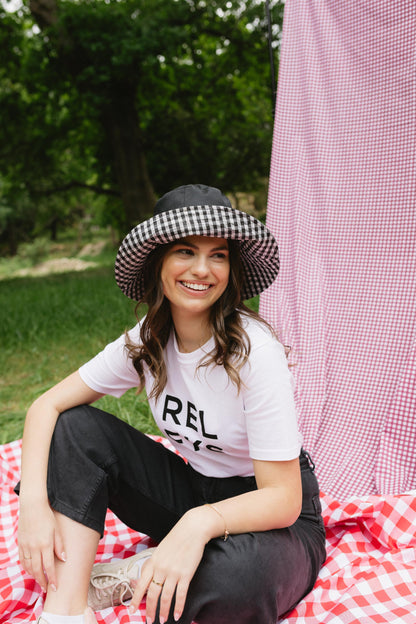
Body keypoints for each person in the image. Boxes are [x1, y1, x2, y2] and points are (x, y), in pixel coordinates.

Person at [16, 184, 326, 624]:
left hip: (275, 518)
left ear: (231, 268)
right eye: (185, 251)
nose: (202, 269)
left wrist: (198, 525)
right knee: (75, 427)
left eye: (218, 255)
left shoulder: (256, 353)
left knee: (231, 584)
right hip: (193, 490)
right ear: (158, 262)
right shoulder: (149, 339)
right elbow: (45, 407)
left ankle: (145, 568)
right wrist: (32, 507)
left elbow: (283, 499)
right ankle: (66, 610)